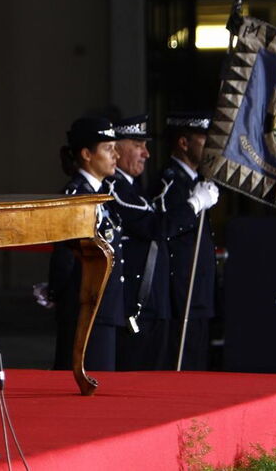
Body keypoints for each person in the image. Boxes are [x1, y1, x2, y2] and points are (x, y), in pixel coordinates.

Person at [47, 116, 126, 371]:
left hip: (103, 304)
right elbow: (65, 256)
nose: (115, 155)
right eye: (107, 148)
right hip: (84, 307)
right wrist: (57, 292)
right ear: (86, 154)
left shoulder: (100, 194)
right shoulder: (77, 196)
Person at [107, 114, 173, 370]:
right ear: (116, 149)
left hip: (151, 302)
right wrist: (192, 205)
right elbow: (151, 227)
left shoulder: (135, 188)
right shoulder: (115, 188)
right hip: (134, 303)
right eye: (137, 145)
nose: (146, 153)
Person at [158, 111, 220, 370]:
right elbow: (166, 229)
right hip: (182, 293)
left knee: (197, 365)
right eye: (203, 140)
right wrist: (192, 204)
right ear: (184, 143)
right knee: (183, 366)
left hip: (198, 292)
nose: (209, 147)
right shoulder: (171, 182)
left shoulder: (195, 182)